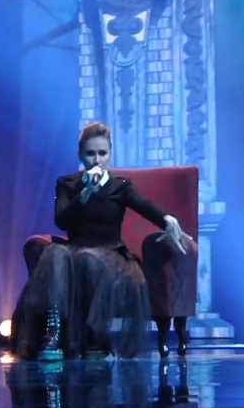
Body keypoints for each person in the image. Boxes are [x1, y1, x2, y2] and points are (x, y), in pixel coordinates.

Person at [11, 122, 190, 361]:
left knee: (88, 259)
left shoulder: (120, 186)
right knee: (55, 253)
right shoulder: (67, 184)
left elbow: (144, 204)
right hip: (75, 248)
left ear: (110, 154)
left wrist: (167, 219)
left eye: (102, 153)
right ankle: (53, 333)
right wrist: (85, 192)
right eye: (90, 153)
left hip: (109, 254)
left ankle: (94, 337)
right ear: (80, 155)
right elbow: (61, 220)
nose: (97, 160)